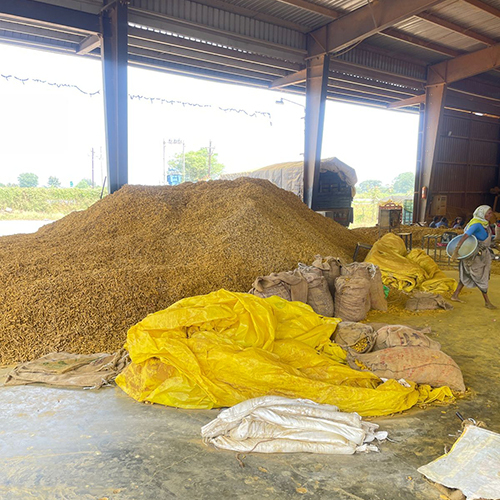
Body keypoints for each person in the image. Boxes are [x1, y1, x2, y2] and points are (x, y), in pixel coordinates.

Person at [451, 205, 496, 309]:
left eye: (490, 213)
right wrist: (456, 250)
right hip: (475, 256)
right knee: (481, 277)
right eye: (488, 213)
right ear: (482, 214)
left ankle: (455, 295)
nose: (491, 215)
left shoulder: (484, 224)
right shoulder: (476, 224)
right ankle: (487, 302)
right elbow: (465, 236)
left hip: (482, 254)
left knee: (468, 274)